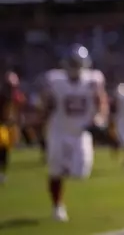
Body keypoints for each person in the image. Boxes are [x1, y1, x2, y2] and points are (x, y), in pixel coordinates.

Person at [40, 44, 108, 222]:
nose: (75, 66)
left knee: (81, 171)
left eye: (78, 62)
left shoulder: (93, 80)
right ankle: (57, 206)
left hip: (81, 132)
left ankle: (66, 167)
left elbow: (101, 100)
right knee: (55, 171)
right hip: (59, 129)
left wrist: (100, 117)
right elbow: (46, 103)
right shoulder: (55, 80)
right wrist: (42, 120)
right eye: (72, 62)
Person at [0, 70, 26, 184]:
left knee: (6, 150)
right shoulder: (2, 95)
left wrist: (18, 122)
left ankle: (2, 172)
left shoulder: (16, 95)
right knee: (2, 146)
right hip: (2, 123)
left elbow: (18, 110)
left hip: (10, 125)